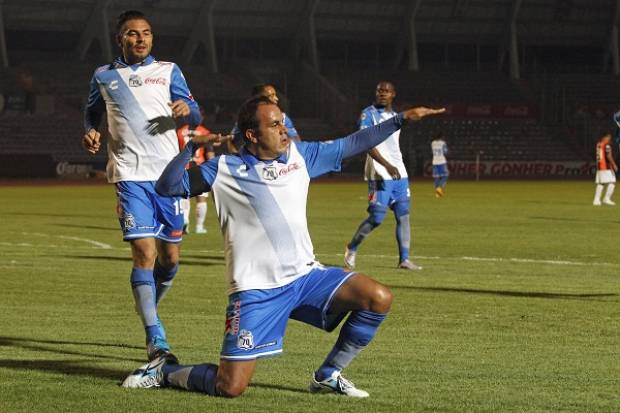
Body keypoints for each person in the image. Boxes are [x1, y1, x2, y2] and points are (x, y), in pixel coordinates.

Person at [120, 96, 444, 397]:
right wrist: (190, 148)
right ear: (252, 134)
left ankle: (328, 375)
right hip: (256, 291)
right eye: (274, 125)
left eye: (283, 122)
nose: (284, 129)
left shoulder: (303, 156)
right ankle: (166, 371)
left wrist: (401, 119)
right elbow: (167, 187)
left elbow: (355, 142)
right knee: (229, 386)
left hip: (306, 278)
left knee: (378, 297)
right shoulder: (222, 169)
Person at [82, 10, 201, 361]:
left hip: (169, 176)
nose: (140, 39)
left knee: (171, 259)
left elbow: (196, 113)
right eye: (132, 34)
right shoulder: (104, 75)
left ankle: (148, 304)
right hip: (129, 175)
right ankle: (156, 339)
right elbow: (92, 112)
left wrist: (185, 111)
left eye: (146, 33)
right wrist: (90, 131)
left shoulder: (168, 71)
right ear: (120, 39)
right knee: (144, 254)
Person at [344, 81, 422, 271]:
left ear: (393, 94)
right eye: (379, 91)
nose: (382, 94)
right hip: (379, 174)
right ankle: (351, 248)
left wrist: (395, 166)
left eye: (386, 91)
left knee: (403, 216)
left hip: (400, 174)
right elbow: (365, 143)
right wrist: (386, 164)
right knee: (377, 217)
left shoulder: (395, 116)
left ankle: (404, 259)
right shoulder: (368, 114)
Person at [228, 83, 300, 153]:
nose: (276, 98)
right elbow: (230, 140)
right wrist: (237, 159)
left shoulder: (283, 117)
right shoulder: (245, 120)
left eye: (275, 95)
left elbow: (297, 141)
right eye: (271, 96)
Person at [177, 114, 217, 234]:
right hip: (200, 168)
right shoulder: (204, 132)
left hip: (183, 167)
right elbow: (209, 153)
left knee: (185, 196)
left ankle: (185, 222)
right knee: (201, 199)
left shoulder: (180, 132)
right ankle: (199, 227)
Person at [593, 133, 617, 206]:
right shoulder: (606, 145)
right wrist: (613, 164)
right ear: (605, 137)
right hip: (606, 166)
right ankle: (606, 199)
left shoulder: (599, 144)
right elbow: (608, 155)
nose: (609, 139)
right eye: (608, 137)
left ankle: (596, 200)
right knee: (612, 182)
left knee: (601, 183)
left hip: (600, 166)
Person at [431, 132, 449, 198]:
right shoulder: (443, 143)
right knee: (445, 176)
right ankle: (439, 188)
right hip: (442, 161)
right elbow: (445, 152)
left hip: (435, 162)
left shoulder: (432, 143)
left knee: (436, 177)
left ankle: (437, 194)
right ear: (441, 137)